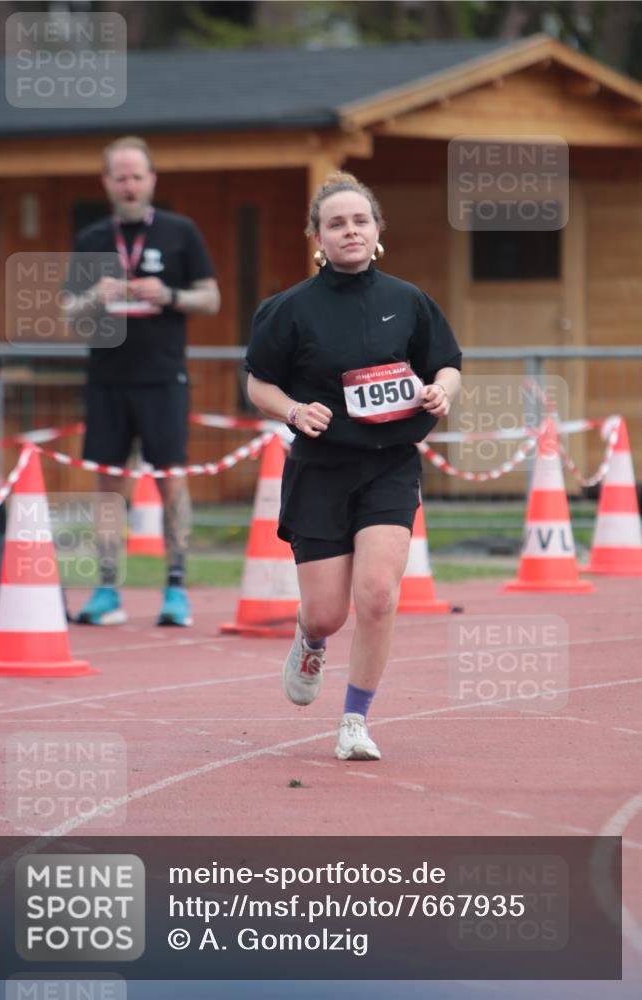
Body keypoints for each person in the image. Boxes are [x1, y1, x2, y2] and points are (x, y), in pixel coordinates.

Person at [245, 172, 461, 761]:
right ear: (318, 236)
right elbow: (258, 384)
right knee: (327, 613)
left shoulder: (408, 300)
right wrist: (293, 410)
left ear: (377, 229)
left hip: (390, 464)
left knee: (379, 594)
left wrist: (441, 391)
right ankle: (310, 638)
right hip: (320, 468)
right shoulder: (289, 309)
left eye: (360, 220)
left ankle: (355, 722)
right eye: (336, 223)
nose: (350, 231)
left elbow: (446, 364)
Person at [68, 136, 220, 626]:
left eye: (137, 176)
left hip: (162, 377)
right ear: (106, 183)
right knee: (108, 486)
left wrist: (170, 294)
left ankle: (176, 588)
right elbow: (69, 315)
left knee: (171, 480)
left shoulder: (180, 231)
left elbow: (211, 298)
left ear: (152, 179)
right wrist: (94, 297)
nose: (129, 185)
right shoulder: (92, 238)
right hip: (107, 379)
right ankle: (107, 589)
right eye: (120, 177)